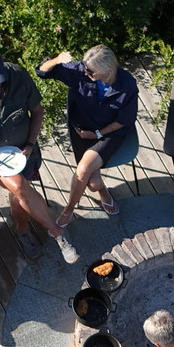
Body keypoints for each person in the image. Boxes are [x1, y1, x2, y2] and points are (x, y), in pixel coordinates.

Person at [0, 47, 79, 264]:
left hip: (24, 151)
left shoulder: (17, 75)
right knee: (19, 187)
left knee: (20, 194)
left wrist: (29, 144)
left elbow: (37, 111)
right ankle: (57, 233)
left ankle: (22, 229)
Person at [36, 45, 138, 226]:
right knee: (93, 183)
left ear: (106, 71)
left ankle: (68, 211)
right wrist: (57, 59)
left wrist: (98, 133)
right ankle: (102, 190)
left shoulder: (127, 85)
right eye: (85, 68)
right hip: (83, 130)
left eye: (91, 71)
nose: (86, 72)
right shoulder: (81, 71)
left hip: (109, 133)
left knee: (83, 170)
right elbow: (41, 71)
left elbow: (124, 121)